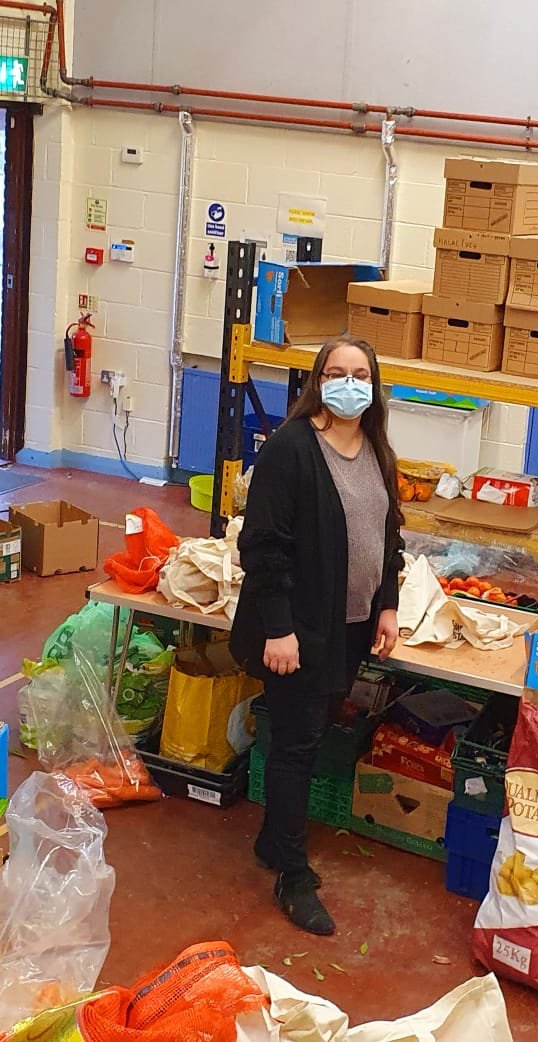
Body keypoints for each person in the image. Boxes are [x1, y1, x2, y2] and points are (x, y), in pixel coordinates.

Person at [231, 336, 405, 936]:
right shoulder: (291, 449)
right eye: (336, 372)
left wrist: (387, 604)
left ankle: (272, 841)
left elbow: (388, 536)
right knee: (297, 745)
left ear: (374, 383)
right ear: (317, 380)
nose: (349, 383)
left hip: (351, 626)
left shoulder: (377, 450)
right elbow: (263, 546)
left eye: (361, 373)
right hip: (297, 632)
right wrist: (277, 628)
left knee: (309, 730)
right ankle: (292, 874)